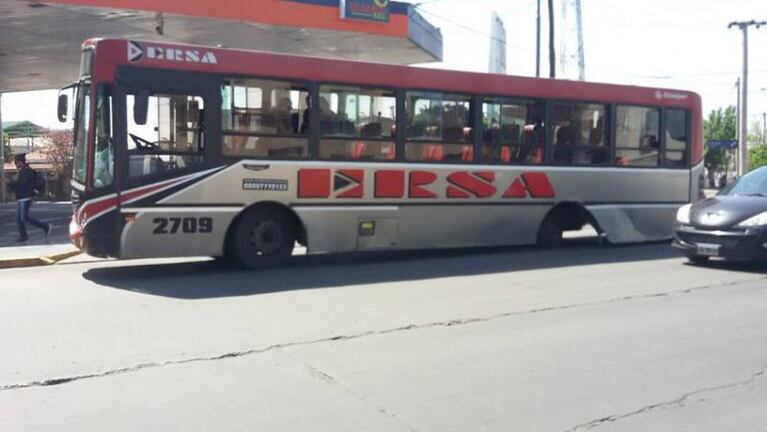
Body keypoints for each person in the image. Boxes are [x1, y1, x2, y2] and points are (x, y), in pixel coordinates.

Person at [8, 154, 51, 243]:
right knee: (19, 219)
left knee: (24, 218)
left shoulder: (26, 171)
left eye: (16, 162)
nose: (15, 165)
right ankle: (23, 236)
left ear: (20, 162)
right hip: (21, 197)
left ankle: (45, 226)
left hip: (26, 197)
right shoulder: (22, 171)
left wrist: (13, 182)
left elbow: (22, 184)